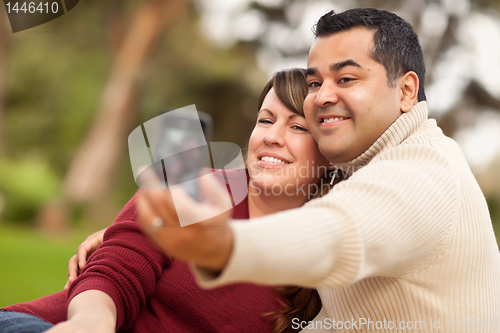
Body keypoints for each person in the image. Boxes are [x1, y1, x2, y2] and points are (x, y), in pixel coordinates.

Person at [136, 8, 500, 332]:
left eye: (346, 79)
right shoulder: (356, 173)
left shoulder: (425, 171)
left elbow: (341, 232)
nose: (323, 96)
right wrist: (144, 232)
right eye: (314, 82)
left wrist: (221, 244)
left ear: (406, 91)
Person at [0, 68, 333, 333]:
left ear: (331, 153)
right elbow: (117, 272)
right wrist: (91, 324)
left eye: (298, 127)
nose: (272, 136)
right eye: (265, 120)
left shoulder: (330, 251)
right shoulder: (195, 184)